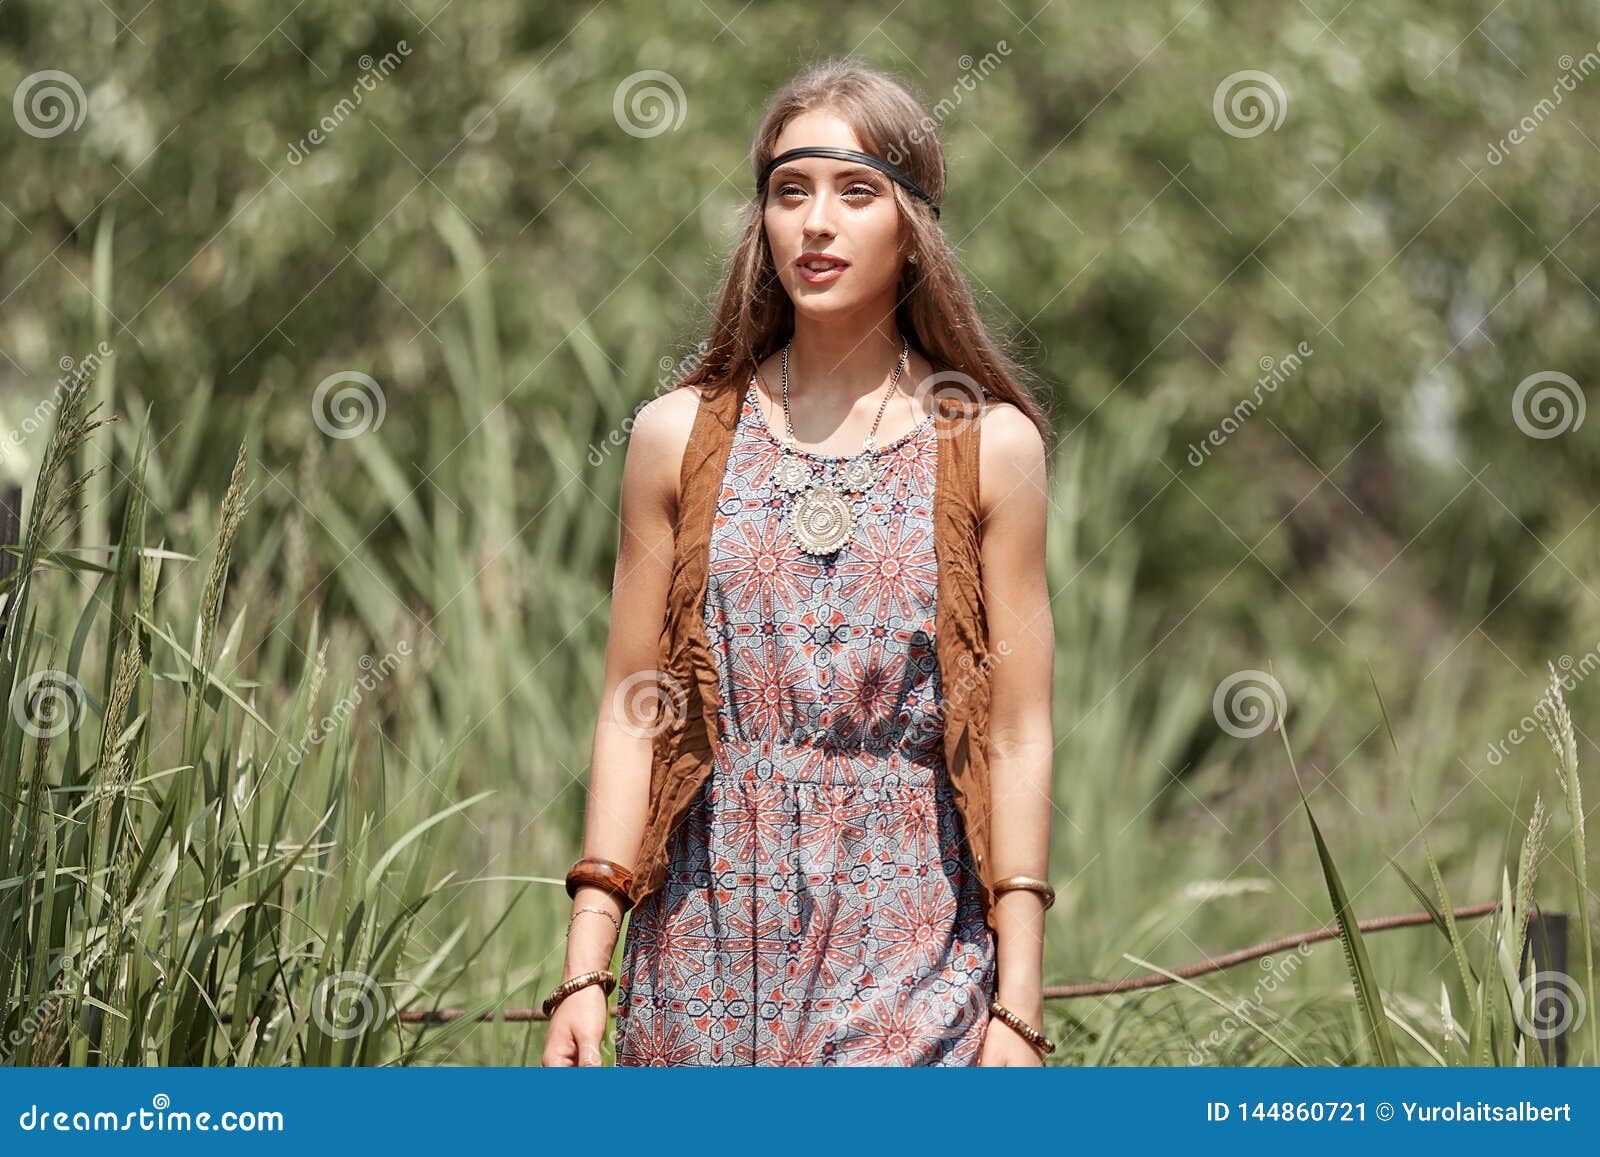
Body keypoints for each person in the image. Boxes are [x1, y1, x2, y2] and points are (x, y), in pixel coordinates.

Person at [541, 57, 1056, 1067]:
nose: (815, 223)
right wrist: (584, 966)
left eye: (855, 191)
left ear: (915, 227)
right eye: (790, 191)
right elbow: (630, 702)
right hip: (699, 942)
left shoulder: (987, 444)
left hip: (916, 951)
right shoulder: (677, 434)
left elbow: (1017, 730)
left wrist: (1019, 999)